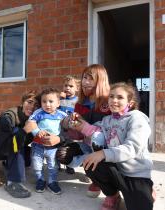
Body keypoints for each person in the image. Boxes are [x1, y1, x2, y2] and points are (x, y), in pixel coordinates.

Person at [71, 82, 154, 210]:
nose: (114, 100)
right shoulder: (107, 120)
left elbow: (132, 147)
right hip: (116, 170)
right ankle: (113, 195)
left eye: (120, 97)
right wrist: (79, 122)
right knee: (91, 163)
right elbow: (94, 129)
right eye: (111, 96)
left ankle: (147, 188)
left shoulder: (137, 119)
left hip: (135, 173)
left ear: (130, 103)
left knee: (140, 206)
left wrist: (103, 153)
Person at [57, 64, 111, 198]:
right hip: (88, 144)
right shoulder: (80, 104)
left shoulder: (109, 102)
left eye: (90, 78)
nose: (85, 82)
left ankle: (102, 180)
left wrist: (85, 127)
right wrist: (68, 124)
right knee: (63, 154)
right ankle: (93, 171)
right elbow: (78, 135)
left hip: (108, 148)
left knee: (98, 140)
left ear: (100, 80)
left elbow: (112, 133)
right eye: (84, 78)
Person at [0, 91, 39, 198]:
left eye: (36, 105)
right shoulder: (8, 116)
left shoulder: (34, 119)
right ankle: (13, 182)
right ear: (22, 102)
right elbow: (10, 142)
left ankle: (8, 164)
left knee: (28, 158)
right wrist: (25, 130)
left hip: (9, 145)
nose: (32, 107)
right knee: (17, 132)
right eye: (29, 102)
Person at [28, 88, 67, 195]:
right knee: (36, 164)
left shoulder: (61, 115)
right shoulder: (38, 112)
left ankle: (52, 181)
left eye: (51, 101)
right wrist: (37, 131)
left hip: (53, 147)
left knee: (53, 165)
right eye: (44, 101)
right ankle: (40, 179)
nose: (47, 104)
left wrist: (73, 121)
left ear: (58, 103)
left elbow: (68, 124)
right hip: (38, 145)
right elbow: (30, 122)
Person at [59, 75, 80, 174]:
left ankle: (69, 165)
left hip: (72, 129)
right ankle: (57, 163)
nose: (67, 88)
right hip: (60, 128)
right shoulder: (60, 99)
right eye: (65, 85)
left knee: (69, 147)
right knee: (58, 145)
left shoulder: (77, 101)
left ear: (77, 88)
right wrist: (58, 98)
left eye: (71, 86)